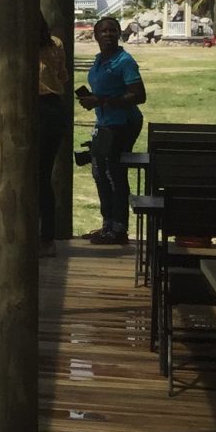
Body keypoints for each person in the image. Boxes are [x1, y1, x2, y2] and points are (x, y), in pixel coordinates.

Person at [77, 15, 146, 245]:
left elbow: (138, 96)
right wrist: (92, 100)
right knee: (99, 173)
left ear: (119, 34)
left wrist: (102, 101)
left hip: (124, 123)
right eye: (103, 31)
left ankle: (119, 229)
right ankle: (107, 224)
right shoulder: (99, 60)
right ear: (95, 35)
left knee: (114, 174)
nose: (108, 34)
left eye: (113, 30)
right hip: (104, 124)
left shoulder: (124, 61)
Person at [34, 18, 68, 255]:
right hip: (36, 108)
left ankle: (46, 237)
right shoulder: (54, 44)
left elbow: (61, 77)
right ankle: (39, 234)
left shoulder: (54, 44)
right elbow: (62, 75)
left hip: (47, 108)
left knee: (41, 175)